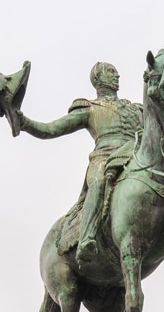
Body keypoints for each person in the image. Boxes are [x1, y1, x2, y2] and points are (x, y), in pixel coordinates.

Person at [18, 62, 143, 265]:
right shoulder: (90, 108)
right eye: (111, 72)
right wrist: (24, 122)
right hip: (105, 158)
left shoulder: (135, 109)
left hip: (135, 156)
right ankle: (87, 239)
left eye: (116, 72)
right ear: (98, 79)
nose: (117, 75)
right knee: (99, 182)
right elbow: (51, 129)